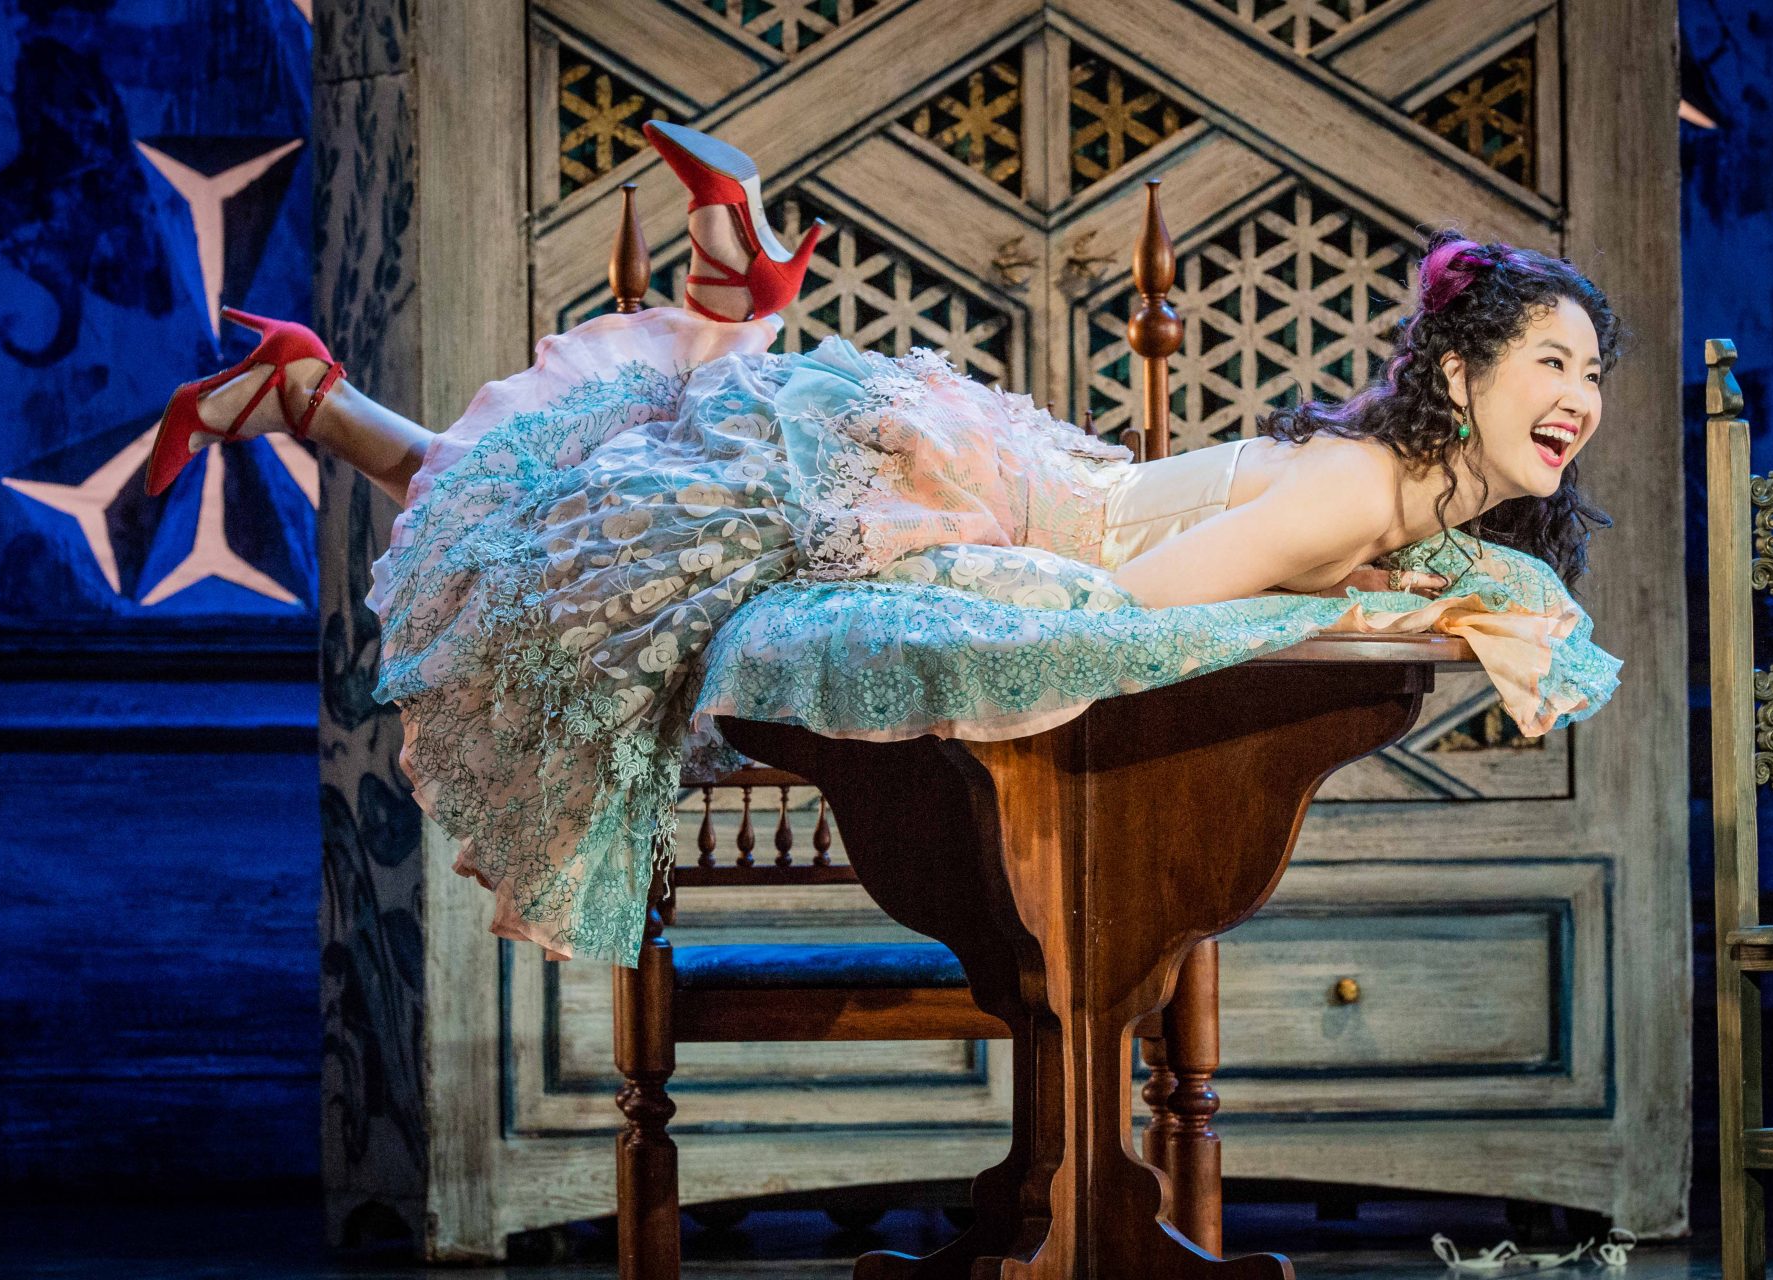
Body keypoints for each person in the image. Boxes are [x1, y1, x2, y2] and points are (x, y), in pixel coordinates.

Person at [144, 122, 1620, 964]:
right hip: (966, 494)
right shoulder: (1361, 491)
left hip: (974, 465)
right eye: (1549, 362)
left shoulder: (1400, 494)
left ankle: (318, 395)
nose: (1580, 398)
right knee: (565, 555)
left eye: (1594, 373)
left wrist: (1391, 595)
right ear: (1455, 372)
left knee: (574, 520)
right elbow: (1131, 605)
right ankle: (717, 295)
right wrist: (1338, 611)